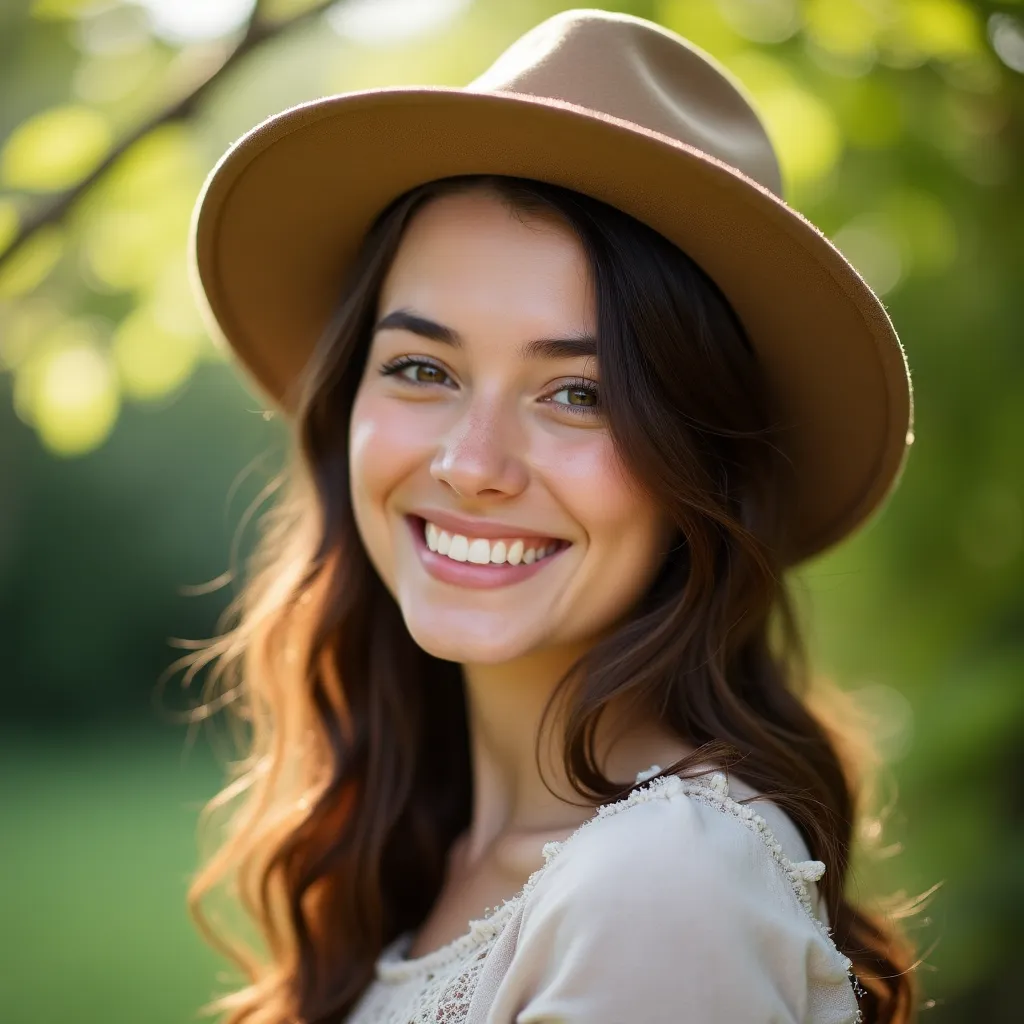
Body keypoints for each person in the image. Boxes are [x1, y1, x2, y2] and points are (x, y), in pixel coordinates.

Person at [184, 9, 920, 1024]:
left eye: (579, 391)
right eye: (421, 369)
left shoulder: (662, 885)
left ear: (698, 463)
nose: (472, 463)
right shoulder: (417, 853)